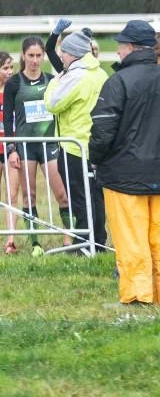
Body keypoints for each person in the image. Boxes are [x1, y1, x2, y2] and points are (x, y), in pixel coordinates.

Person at [89, 20, 160, 306]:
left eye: (120, 45)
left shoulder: (118, 81)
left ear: (131, 47)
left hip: (122, 175)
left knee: (131, 237)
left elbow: (102, 131)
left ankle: (138, 295)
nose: (118, 51)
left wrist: (95, 159)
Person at [43, 25, 109, 251]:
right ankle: (98, 241)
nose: (61, 56)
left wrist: (55, 81)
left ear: (73, 53)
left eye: (63, 52)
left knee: (79, 198)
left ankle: (84, 244)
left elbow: (53, 103)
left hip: (74, 147)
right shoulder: (100, 73)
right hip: (96, 146)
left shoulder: (74, 76)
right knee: (95, 197)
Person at [4, 36, 70, 255]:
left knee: (62, 194)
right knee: (29, 195)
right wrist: (12, 149)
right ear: (23, 56)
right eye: (30, 55)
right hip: (25, 146)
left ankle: (68, 240)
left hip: (49, 144)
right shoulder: (14, 83)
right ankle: (35, 243)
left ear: (43, 56)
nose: (34, 60)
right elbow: (8, 119)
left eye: (38, 55)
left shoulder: (51, 80)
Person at [0, 52, 21, 254]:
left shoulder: (15, 90)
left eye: (11, 67)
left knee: (12, 196)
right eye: (5, 68)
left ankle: (10, 241)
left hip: (10, 150)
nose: (9, 72)